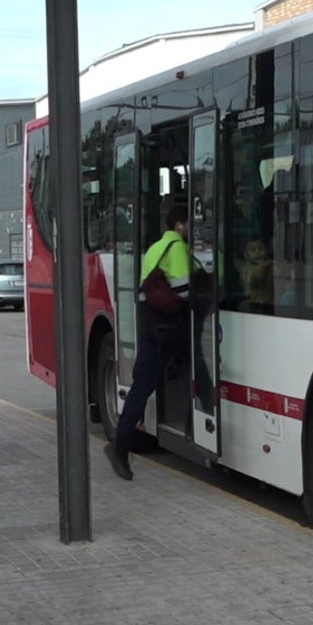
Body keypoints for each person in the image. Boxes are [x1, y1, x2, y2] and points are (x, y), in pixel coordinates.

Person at [104, 204, 193, 481]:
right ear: (179, 225)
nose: (193, 229)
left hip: (150, 324)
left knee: (141, 387)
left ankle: (119, 445)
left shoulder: (155, 247)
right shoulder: (177, 247)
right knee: (198, 364)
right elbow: (184, 291)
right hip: (168, 326)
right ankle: (194, 426)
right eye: (190, 223)